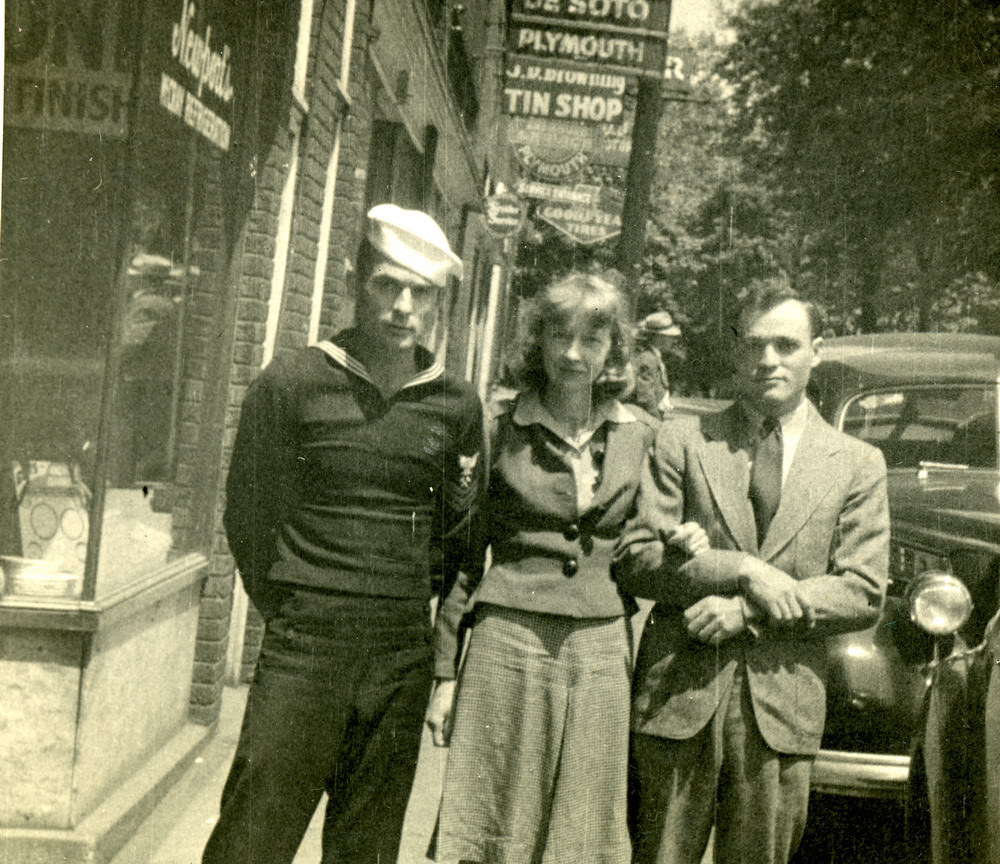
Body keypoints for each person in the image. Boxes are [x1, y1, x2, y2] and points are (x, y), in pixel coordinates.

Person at [203, 204, 484, 864]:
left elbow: (459, 536)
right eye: (388, 285)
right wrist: (293, 605)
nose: (403, 308)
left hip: (399, 651)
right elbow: (249, 513)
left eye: (422, 293)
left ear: (438, 303)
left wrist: (407, 607)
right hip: (306, 643)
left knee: (368, 845)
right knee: (252, 837)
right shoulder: (293, 382)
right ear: (356, 281)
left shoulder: (455, 405)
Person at [616, 280, 890, 864]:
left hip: (782, 707)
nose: (768, 360)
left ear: (817, 351)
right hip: (679, 698)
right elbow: (637, 558)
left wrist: (748, 610)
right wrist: (741, 568)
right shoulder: (684, 439)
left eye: (786, 345)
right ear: (735, 351)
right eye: (754, 344)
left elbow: (862, 590)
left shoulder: (857, 463)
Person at [425, 271, 658, 864]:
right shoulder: (500, 428)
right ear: (539, 340)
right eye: (560, 335)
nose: (573, 354)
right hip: (507, 637)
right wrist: (445, 674)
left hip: (600, 645)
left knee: (585, 821)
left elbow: (648, 542)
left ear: (613, 351)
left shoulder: (643, 437)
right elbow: (465, 557)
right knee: (494, 812)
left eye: (591, 340)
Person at [628, 312, 682, 417]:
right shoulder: (648, 358)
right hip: (648, 416)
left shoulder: (655, 357)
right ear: (658, 338)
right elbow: (645, 393)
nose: (673, 341)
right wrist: (654, 416)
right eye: (669, 337)